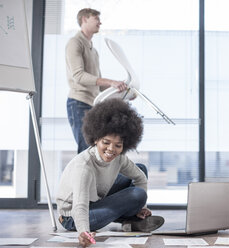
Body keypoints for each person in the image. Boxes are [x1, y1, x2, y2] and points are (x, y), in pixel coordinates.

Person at [56, 98, 164, 247]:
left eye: (117, 145)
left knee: (141, 170)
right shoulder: (84, 166)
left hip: (96, 199)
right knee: (137, 194)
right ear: (95, 139)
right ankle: (131, 221)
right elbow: (80, 206)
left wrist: (141, 207)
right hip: (73, 216)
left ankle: (131, 220)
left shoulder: (119, 158)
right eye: (105, 143)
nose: (111, 149)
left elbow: (140, 178)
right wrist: (83, 233)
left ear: (124, 145)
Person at [66, 8, 128, 153]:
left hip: (92, 104)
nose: (100, 23)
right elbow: (79, 76)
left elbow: (98, 86)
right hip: (78, 103)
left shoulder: (93, 50)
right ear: (84, 19)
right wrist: (111, 82)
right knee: (86, 150)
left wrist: (122, 90)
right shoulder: (75, 43)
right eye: (96, 18)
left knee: (96, 151)